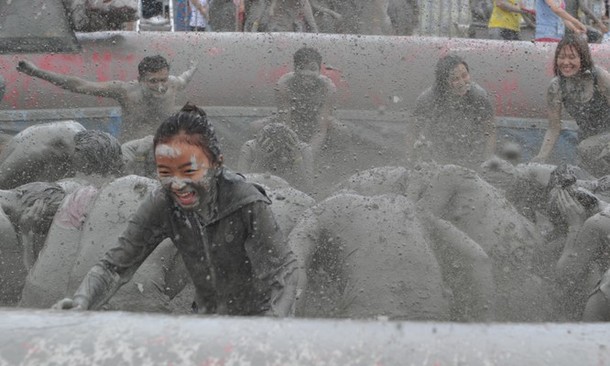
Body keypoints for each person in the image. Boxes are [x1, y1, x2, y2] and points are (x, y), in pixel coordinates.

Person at [53, 103, 298, 316]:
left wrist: (272, 324)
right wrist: (81, 301)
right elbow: (114, 267)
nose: (178, 184)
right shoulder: (164, 201)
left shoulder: (246, 202)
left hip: (260, 310)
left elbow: (283, 272)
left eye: (189, 171)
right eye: (166, 173)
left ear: (216, 164)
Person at [16, 55, 197, 142]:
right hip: (131, 150)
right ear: (140, 80)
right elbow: (79, 85)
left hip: (164, 148)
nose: (160, 86)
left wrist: (192, 67)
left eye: (163, 80)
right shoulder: (125, 91)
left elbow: (185, 77)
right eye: (153, 81)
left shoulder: (172, 84)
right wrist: (36, 72)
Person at [532, 35, 610, 169]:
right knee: (584, 171)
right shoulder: (556, 87)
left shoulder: (599, 77)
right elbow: (553, 128)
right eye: (561, 57)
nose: (565, 62)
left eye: (572, 57)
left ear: (583, 58)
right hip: (586, 141)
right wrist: (541, 157)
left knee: (586, 149)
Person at [408, 54, 496, 170]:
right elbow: (413, 131)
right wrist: (413, 161)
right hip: (438, 161)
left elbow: (490, 132)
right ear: (443, 83)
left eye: (464, 76)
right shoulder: (428, 99)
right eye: (455, 79)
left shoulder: (478, 96)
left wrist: (486, 162)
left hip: (471, 159)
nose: (462, 82)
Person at [0, 122, 124, 189]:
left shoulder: (82, 133)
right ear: (79, 154)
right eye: (87, 168)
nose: (86, 172)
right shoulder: (33, 154)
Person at [237, 123, 314, 193]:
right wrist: (260, 160)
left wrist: (297, 158)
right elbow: (242, 188)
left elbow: (307, 190)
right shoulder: (250, 147)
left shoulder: (302, 149)